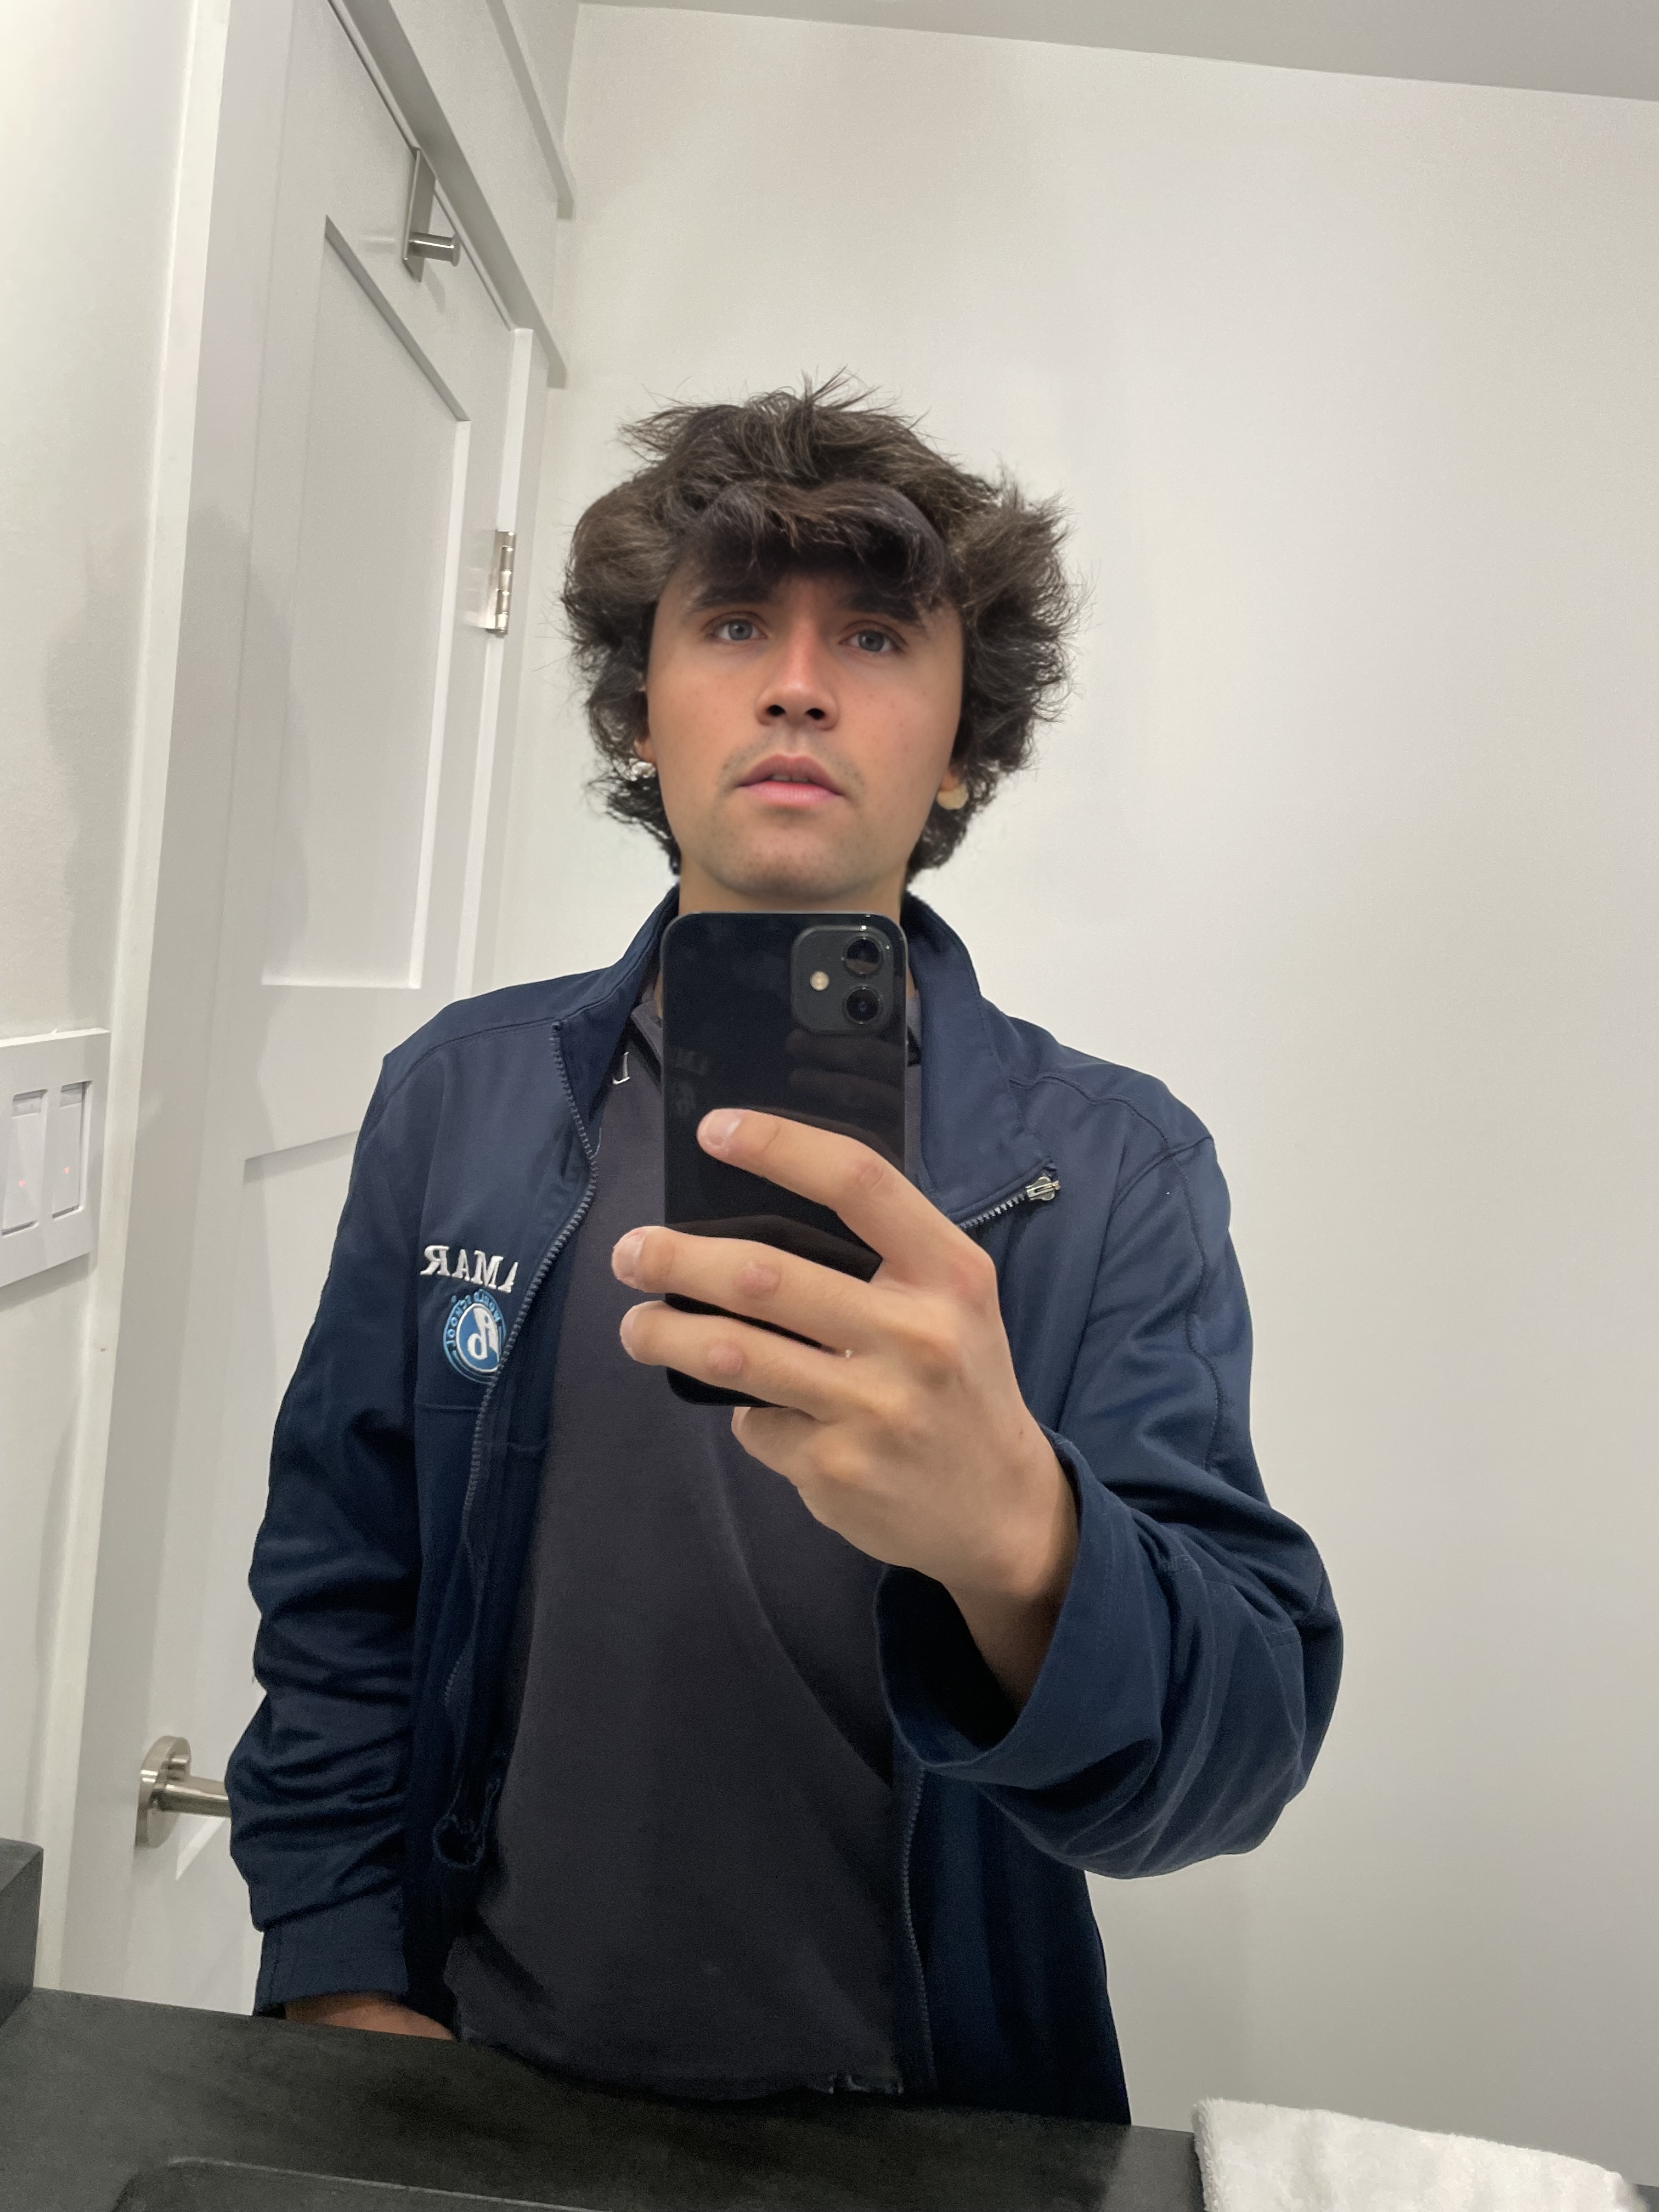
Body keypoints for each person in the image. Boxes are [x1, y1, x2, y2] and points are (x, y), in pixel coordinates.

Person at [227, 379, 1341, 2123]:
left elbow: (1235, 1758)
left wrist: (1023, 1541)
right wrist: (338, 1973)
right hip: (478, 2072)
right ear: (639, 713)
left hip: (930, 2124)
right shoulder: (459, 1099)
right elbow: (343, 1582)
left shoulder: (1116, 1168)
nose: (800, 683)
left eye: (877, 636)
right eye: (737, 622)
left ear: (964, 744)